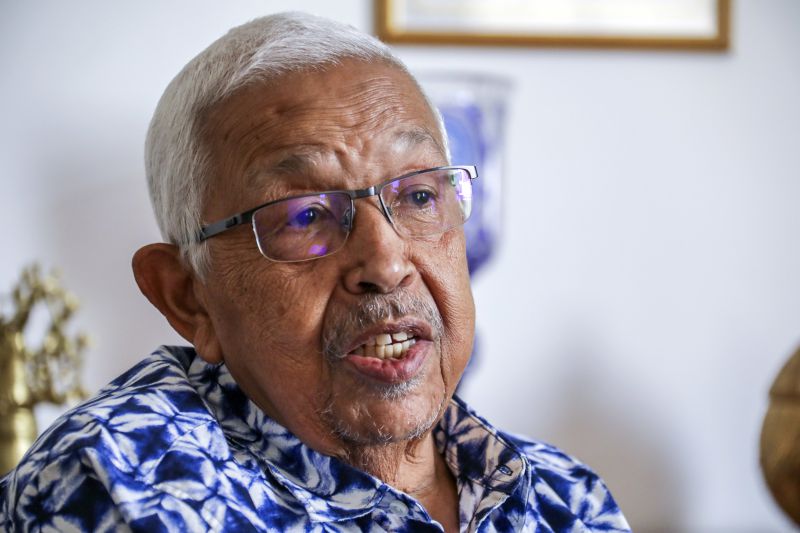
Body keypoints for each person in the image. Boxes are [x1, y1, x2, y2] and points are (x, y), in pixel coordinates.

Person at [0, 12, 629, 532]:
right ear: (188, 297)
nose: (386, 263)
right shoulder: (122, 482)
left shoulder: (562, 496)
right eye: (304, 216)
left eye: (418, 195)